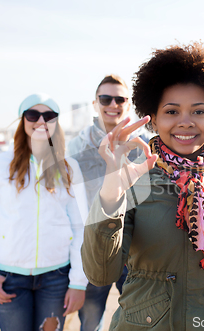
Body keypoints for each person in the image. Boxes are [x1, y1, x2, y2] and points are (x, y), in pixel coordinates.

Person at [82, 42, 204, 331]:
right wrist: (111, 193)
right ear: (153, 119)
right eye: (171, 112)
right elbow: (100, 273)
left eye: (198, 111)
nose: (185, 122)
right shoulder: (134, 179)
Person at [0, 93, 88, 331]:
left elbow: (81, 227)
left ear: (57, 122)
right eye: (33, 114)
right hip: (9, 277)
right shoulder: (0, 165)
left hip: (56, 276)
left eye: (49, 116)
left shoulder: (69, 167)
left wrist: (79, 283)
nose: (41, 121)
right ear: (22, 120)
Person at [67, 75, 148, 331]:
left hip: (135, 248)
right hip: (95, 244)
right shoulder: (77, 145)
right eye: (106, 98)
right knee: (90, 323)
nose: (113, 104)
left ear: (128, 104)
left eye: (120, 99)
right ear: (95, 103)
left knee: (142, 320)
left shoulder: (143, 143)